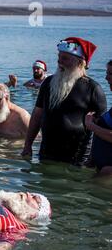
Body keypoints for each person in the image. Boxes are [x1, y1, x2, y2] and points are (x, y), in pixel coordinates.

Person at [22, 37, 107, 166]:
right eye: (59, 57)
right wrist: (28, 144)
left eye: (65, 58)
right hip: (46, 155)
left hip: (78, 159)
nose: (59, 61)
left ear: (80, 63)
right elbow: (37, 115)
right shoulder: (48, 83)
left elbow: (101, 129)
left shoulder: (93, 89)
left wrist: (96, 159)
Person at [85, 60, 112, 176]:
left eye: (110, 74)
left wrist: (91, 125)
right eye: (107, 73)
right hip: (100, 169)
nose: (106, 78)